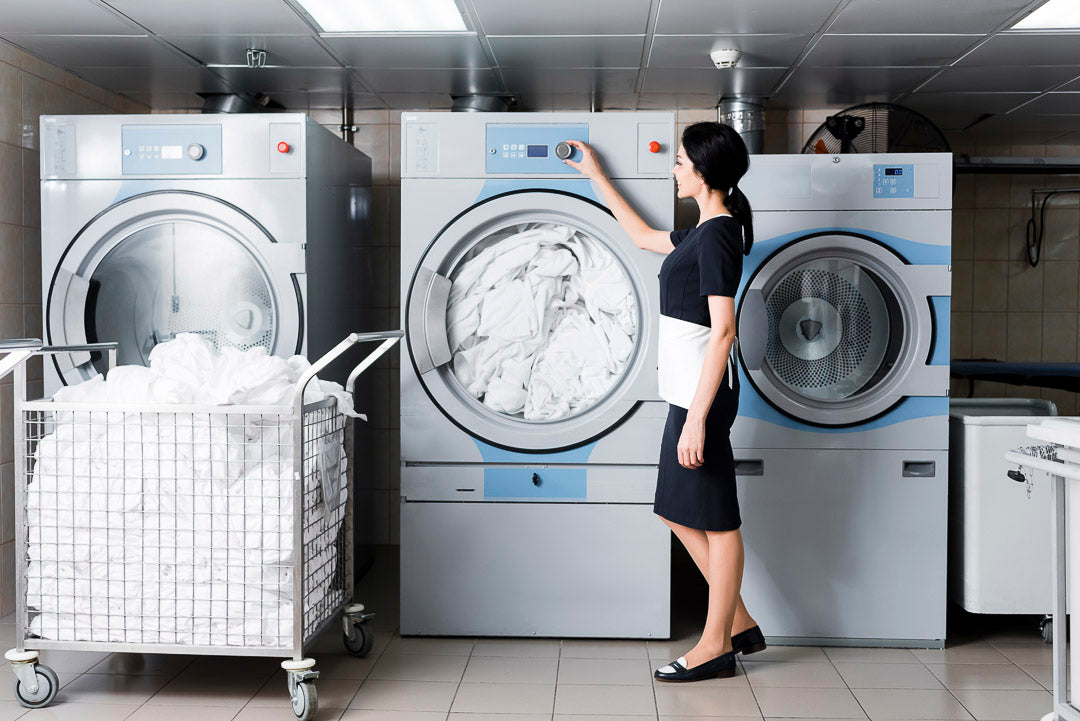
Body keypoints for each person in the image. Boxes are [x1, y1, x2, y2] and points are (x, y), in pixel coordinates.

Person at [564, 122, 765, 682]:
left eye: (680, 161)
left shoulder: (721, 234)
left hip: (702, 397)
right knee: (675, 510)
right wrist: (597, 176)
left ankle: (714, 645)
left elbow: (723, 331)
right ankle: (740, 622)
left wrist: (698, 420)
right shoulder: (702, 232)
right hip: (685, 391)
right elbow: (642, 236)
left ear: (703, 171)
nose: (674, 169)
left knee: (718, 522)